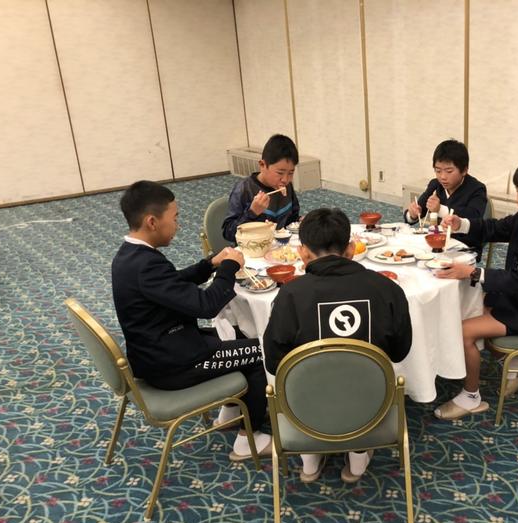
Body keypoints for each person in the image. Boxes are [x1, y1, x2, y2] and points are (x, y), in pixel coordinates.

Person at [111, 180, 271, 461]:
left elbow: (172, 284)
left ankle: (232, 412)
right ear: (152, 222)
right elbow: (206, 306)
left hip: (161, 350)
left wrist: (210, 264)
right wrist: (230, 267)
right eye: (174, 218)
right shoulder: (147, 265)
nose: (178, 225)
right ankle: (249, 440)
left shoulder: (130, 257)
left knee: (238, 336)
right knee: (262, 352)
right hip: (174, 364)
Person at [263, 208, 413, 483]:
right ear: (351, 249)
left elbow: (274, 362)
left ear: (303, 253)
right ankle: (357, 461)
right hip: (371, 404)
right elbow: (400, 350)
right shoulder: (388, 289)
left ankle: (309, 460)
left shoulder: (290, 295)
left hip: (305, 406)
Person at [432, 155, 518, 420]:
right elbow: (495, 228)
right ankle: (517, 365)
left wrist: (472, 272)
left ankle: (471, 397)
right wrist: (462, 223)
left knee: (463, 331)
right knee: (474, 306)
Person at [403, 139, 488, 256]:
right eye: (438, 171)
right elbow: (417, 211)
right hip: (438, 245)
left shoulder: (477, 189)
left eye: (449, 171)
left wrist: (440, 209)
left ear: (464, 170)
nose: (442, 177)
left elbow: (473, 216)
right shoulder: (435, 185)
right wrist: (412, 214)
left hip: (465, 248)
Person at [222, 134, 300, 243]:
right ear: (262, 165)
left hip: (279, 247)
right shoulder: (244, 189)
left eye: (291, 173)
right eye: (280, 173)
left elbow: (292, 219)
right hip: (252, 247)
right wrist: (252, 212)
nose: (285, 179)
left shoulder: (287, 186)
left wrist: (301, 221)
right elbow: (228, 233)